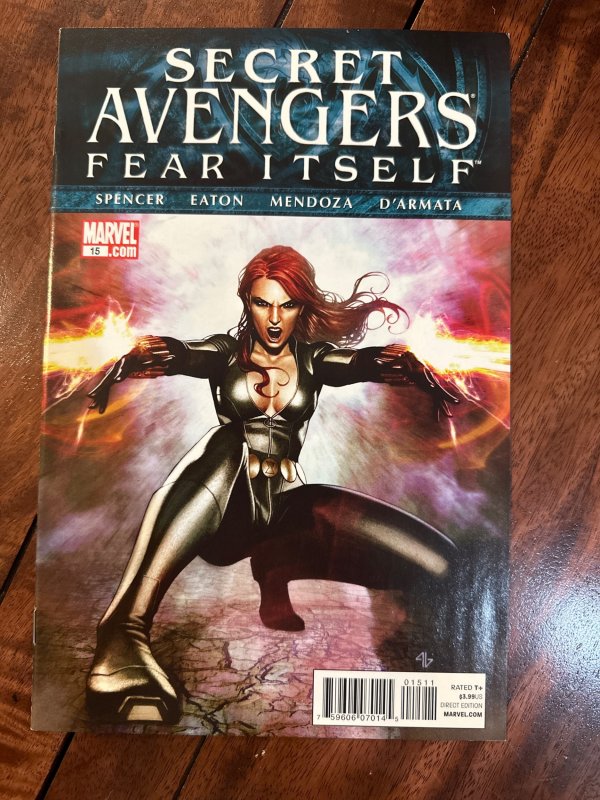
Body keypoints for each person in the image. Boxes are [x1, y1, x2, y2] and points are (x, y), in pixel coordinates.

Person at [86, 245, 458, 723]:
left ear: (302, 306)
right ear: (247, 302)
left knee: (442, 565)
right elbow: (184, 354)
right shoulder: (225, 354)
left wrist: (402, 363)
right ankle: (123, 632)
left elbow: (357, 364)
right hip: (226, 515)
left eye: (288, 304)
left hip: (284, 513)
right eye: (263, 303)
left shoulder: (313, 359)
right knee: (227, 441)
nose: (276, 319)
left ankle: (275, 568)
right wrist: (145, 353)